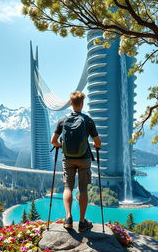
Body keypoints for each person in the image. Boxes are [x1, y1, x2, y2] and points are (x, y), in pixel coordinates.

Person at [51, 91, 101, 232]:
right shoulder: (88, 120)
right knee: (83, 189)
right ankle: (82, 221)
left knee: (68, 188)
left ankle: (68, 218)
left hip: (68, 159)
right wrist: (95, 145)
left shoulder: (62, 120)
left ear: (71, 103)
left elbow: (53, 141)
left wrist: (61, 146)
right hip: (84, 159)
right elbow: (98, 142)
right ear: (82, 103)